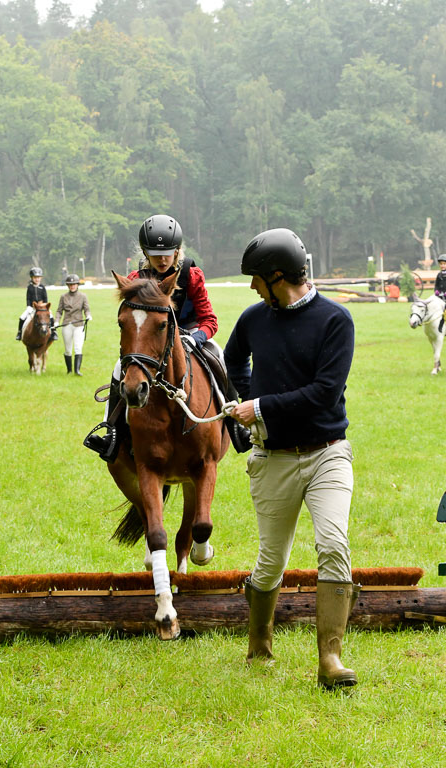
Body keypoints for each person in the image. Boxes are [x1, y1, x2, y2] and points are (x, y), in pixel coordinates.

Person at [224, 227, 359, 689]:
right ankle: (259, 643)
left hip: (328, 455)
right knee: (271, 561)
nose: (252, 287)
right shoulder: (253, 319)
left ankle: (331, 659)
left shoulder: (336, 320)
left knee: (334, 545)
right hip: (272, 459)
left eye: (256, 278)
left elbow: (325, 393)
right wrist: (246, 398)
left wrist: (259, 407)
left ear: (276, 276)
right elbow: (233, 360)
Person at [84, 213, 247, 462]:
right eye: (154, 253)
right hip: (154, 340)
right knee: (120, 368)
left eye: (168, 253)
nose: (162, 259)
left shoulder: (191, 274)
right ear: (145, 253)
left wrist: (196, 338)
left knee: (221, 358)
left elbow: (209, 320)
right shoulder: (137, 280)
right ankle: (111, 431)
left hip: (191, 334)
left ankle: (236, 427)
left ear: (177, 251)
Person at [54, 274, 92, 376]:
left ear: (77, 285)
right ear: (68, 285)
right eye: (70, 285)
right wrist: (56, 321)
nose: (72, 286)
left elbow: (86, 309)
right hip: (66, 324)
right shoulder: (63, 297)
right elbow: (59, 311)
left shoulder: (83, 296)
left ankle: (77, 371)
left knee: (78, 347)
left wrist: (88, 316)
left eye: (74, 284)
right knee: (68, 349)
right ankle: (69, 370)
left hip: (79, 324)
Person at [15, 267, 58, 341]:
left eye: (38, 277)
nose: (37, 279)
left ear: (40, 278)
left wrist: (44, 305)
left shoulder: (42, 287)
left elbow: (45, 298)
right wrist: (28, 306)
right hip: (32, 307)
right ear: (32, 278)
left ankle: (54, 332)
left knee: (51, 316)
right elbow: (28, 298)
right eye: (35, 278)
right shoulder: (30, 287)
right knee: (22, 317)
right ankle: (19, 333)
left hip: (42, 307)